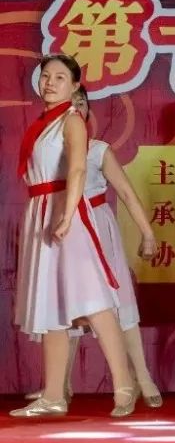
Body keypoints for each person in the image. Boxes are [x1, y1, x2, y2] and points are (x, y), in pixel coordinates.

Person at [10, 55, 138, 418]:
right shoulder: (43, 124)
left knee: (93, 300)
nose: (50, 83)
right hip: (42, 211)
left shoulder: (71, 120)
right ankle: (53, 395)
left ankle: (124, 385)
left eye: (60, 77)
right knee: (50, 301)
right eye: (46, 76)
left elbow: (79, 168)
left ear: (75, 85)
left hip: (65, 212)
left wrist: (67, 215)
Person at [24, 87, 163, 408]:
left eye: (81, 104)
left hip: (95, 229)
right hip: (62, 230)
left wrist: (148, 234)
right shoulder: (48, 147)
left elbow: (126, 193)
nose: (75, 108)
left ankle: (141, 378)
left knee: (113, 305)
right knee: (64, 305)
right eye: (70, 103)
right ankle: (59, 387)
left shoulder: (97, 150)